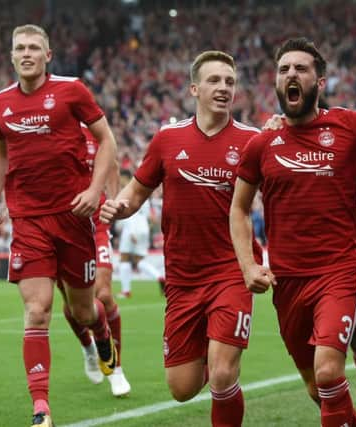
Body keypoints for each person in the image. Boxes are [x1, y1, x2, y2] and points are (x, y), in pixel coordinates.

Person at [230, 38, 356, 427]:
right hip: (288, 279)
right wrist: (248, 265)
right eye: (284, 69)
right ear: (275, 82)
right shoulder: (261, 143)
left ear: (320, 82)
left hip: (340, 269)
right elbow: (239, 209)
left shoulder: (347, 124)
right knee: (316, 387)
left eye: (301, 69)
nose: (291, 74)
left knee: (329, 371)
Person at [100, 50, 262, 427]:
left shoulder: (253, 141)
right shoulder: (168, 139)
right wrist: (119, 206)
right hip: (182, 278)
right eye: (214, 80)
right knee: (182, 388)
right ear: (194, 88)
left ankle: (224, 357)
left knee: (223, 375)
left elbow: (283, 193)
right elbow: (137, 192)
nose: (223, 88)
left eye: (229, 81)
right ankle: (215, 350)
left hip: (231, 271)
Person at [0, 24, 118, 427]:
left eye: (33, 48)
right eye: (19, 48)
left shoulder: (72, 90)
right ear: (11, 56)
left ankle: (101, 331)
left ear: (48, 54)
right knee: (37, 310)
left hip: (74, 217)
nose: (26, 54)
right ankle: (41, 407)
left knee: (82, 310)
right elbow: (0, 154)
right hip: (28, 219)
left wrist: (96, 191)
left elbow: (107, 140)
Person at [61, 124, 131, 397]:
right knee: (72, 302)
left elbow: (112, 163)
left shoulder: (95, 131)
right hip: (61, 225)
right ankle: (88, 347)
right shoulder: (50, 130)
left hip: (95, 223)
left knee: (102, 293)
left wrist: (112, 203)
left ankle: (116, 368)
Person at [116, 193, 165, 298]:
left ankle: (126, 291)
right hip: (144, 228)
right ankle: (159, 276)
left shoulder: (129, 193)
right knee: (139, 261)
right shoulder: (145, 197)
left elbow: (127, 213)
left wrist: (130, 231)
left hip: (131, 229)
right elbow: (149, 216)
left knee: (124, 259)